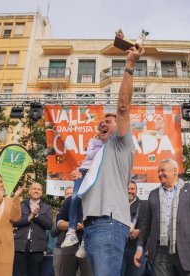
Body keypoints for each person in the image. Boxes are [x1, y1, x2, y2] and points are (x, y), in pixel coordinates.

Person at [75, 44, 144, 275]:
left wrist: (130, 66)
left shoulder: (120, 144)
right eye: (101, 122)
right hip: (92, 226)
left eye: (110, 121)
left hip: (109, 223)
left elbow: (123, 106)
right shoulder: (95, 156)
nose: (104, 124)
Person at [135, 158, 190, 276]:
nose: (159, 174)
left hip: (189, 252)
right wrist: (140, 248)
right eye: (158, 171)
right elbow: (146, 225)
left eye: (162, 170)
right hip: (160, 253)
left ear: (175, 171)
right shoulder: (153, 194)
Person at [62, 121, 105, 249]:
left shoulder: (111, 144)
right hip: (84, 171)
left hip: (97, 174)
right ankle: (71, 231)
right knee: (75, 197)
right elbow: (90, 154)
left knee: (92, 204)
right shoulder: (94, 141)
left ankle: (86, 239)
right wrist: (102, 149)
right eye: (101, 128)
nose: (103, 130)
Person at [12, 182, 53, 276]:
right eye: (34, 188)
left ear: (42, 192)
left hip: (37, 247)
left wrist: (37, 215)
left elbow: (49, 225)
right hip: (20, 246)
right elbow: (14, 222)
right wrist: (29, 217)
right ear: (29, 191)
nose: (36, 191)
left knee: (34, 273)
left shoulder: (47, 208)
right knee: (18, 273)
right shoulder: (21, 206)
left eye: (39, 189)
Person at [56, 192, 92, 276]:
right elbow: (59, 223)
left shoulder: (97, 200)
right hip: (70, 244)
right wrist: (72, 225)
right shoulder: (69, 200)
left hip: (89, 244)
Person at [120, 180, 146, 276]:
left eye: (132, 189)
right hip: (120, 248)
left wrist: (138, 232)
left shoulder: (144, 205)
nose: (130, 191)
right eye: (128, 189)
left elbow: (146, 226)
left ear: (136, 190)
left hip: (136, 248)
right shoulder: (117, 204)